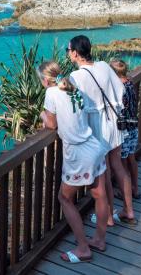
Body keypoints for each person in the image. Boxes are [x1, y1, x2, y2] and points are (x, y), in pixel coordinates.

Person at [37, 61, 109, 263]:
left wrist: (42, 114)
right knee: (99, 194)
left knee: (64, 198)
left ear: (45, 80)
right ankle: (99, 240)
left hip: (78, 153)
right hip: (94, 145)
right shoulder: (73, 88)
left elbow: (51, 124)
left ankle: (83, 248)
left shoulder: (51, 93)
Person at [66, 35, 136, 226]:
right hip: (114, 122)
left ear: (75, 53)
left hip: (97, 127)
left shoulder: (76, 76)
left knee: (103, 172)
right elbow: (120, 91)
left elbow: (75, 107)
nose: (68, 53)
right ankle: (129, 211)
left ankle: (108, 216)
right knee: (119, 167)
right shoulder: (104, 65)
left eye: (68, 50)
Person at [109, 58, 140, 201]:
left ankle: (124, 191)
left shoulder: (119, 89)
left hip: (124, 130)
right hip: (133, 127)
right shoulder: (130, 83)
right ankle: (136, 188)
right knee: (131, 159)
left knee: (122, 163)